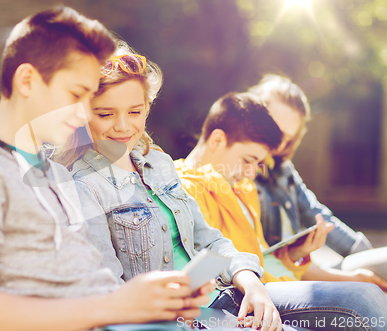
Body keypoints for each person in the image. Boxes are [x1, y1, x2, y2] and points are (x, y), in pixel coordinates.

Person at [0, 6, 220, 331]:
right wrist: (119, 305)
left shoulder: (54, 175)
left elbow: (89, 284)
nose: (85, 115)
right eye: (76, 94)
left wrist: (157, 300)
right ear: (27, 80)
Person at [65, 43, 286, 331]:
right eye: (106, 114)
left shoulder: (159, 163)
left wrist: (251, 281)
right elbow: (110, 295)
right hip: (184, 321)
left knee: (359, 299)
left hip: (224, 296)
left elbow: (209, 241)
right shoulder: (83, 188)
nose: (123, 126)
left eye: (135, 112)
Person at [174, 91, 387, 330]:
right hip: (241, 294)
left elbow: (257, 253)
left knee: (367, 295)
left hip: (268, 283)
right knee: (364, 298)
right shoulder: (184, 188)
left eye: (257, 163)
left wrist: (294, 253)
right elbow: (217, 263)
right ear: (216, 141)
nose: (253, 173)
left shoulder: (242, 188)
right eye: (247, 160)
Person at [249, 74, 387, 284]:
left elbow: (319, 215)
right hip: (284, 278)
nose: (278, 143)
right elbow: (269, 261)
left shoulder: (283, 170)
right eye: (274, 129)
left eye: (287, 137)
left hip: (302, 271)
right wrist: (351, 278)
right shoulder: (239, 176)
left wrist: (362, 253)